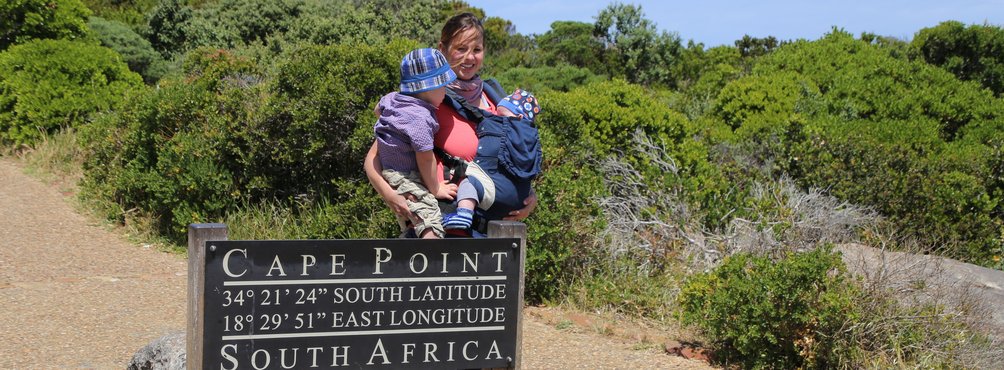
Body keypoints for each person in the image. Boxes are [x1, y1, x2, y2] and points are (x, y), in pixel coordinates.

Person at [363, 12, 538, 237]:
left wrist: (529, 196)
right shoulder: (422, 100)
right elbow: (373, 159)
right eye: (461, 49)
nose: (469, 58)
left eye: (476, 50)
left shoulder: (497, 99)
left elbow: (509, 158)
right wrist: (391, 196)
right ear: (442, 49)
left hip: (494, 236)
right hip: (444, 230)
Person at [372, 48, 458, 238]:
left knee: (415, 216)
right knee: (430, 217)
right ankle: (431, 257)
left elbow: (378, 109)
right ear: (428, 88)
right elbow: (425, 159)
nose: (446, 90)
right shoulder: (420, 119)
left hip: (390, 171)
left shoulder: (392, 98)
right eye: (443, 85)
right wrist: (436, 189)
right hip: (405, 176)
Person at [442, 88, 541, 230]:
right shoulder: (533, 138)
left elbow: (466, 110)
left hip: (493, 193)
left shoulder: (496, 123)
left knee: (469, 182)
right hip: (521, 199)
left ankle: (464, 213)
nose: (496, 117)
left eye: (501, 115)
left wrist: (446, 95)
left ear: (518, 117)